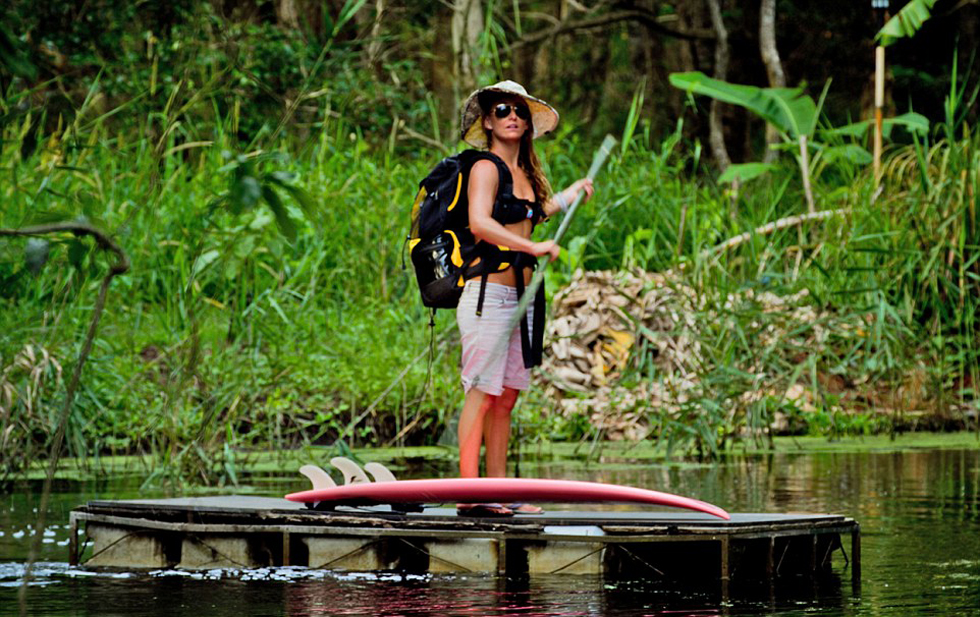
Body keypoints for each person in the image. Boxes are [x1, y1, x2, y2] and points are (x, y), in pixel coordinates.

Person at [454, 80, 594, 517]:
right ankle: (470, 492)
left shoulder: (527, 174)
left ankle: (500, 490)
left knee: (508, 395)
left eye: (518, 109)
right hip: (487, 296)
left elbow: (529, 214)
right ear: (488, 121)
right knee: (481, 391)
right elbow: (479, 222)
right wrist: (531, 248)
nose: (511, 115)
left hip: (522, 299)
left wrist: (569, 196)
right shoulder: (484, 168)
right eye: (501, 109)